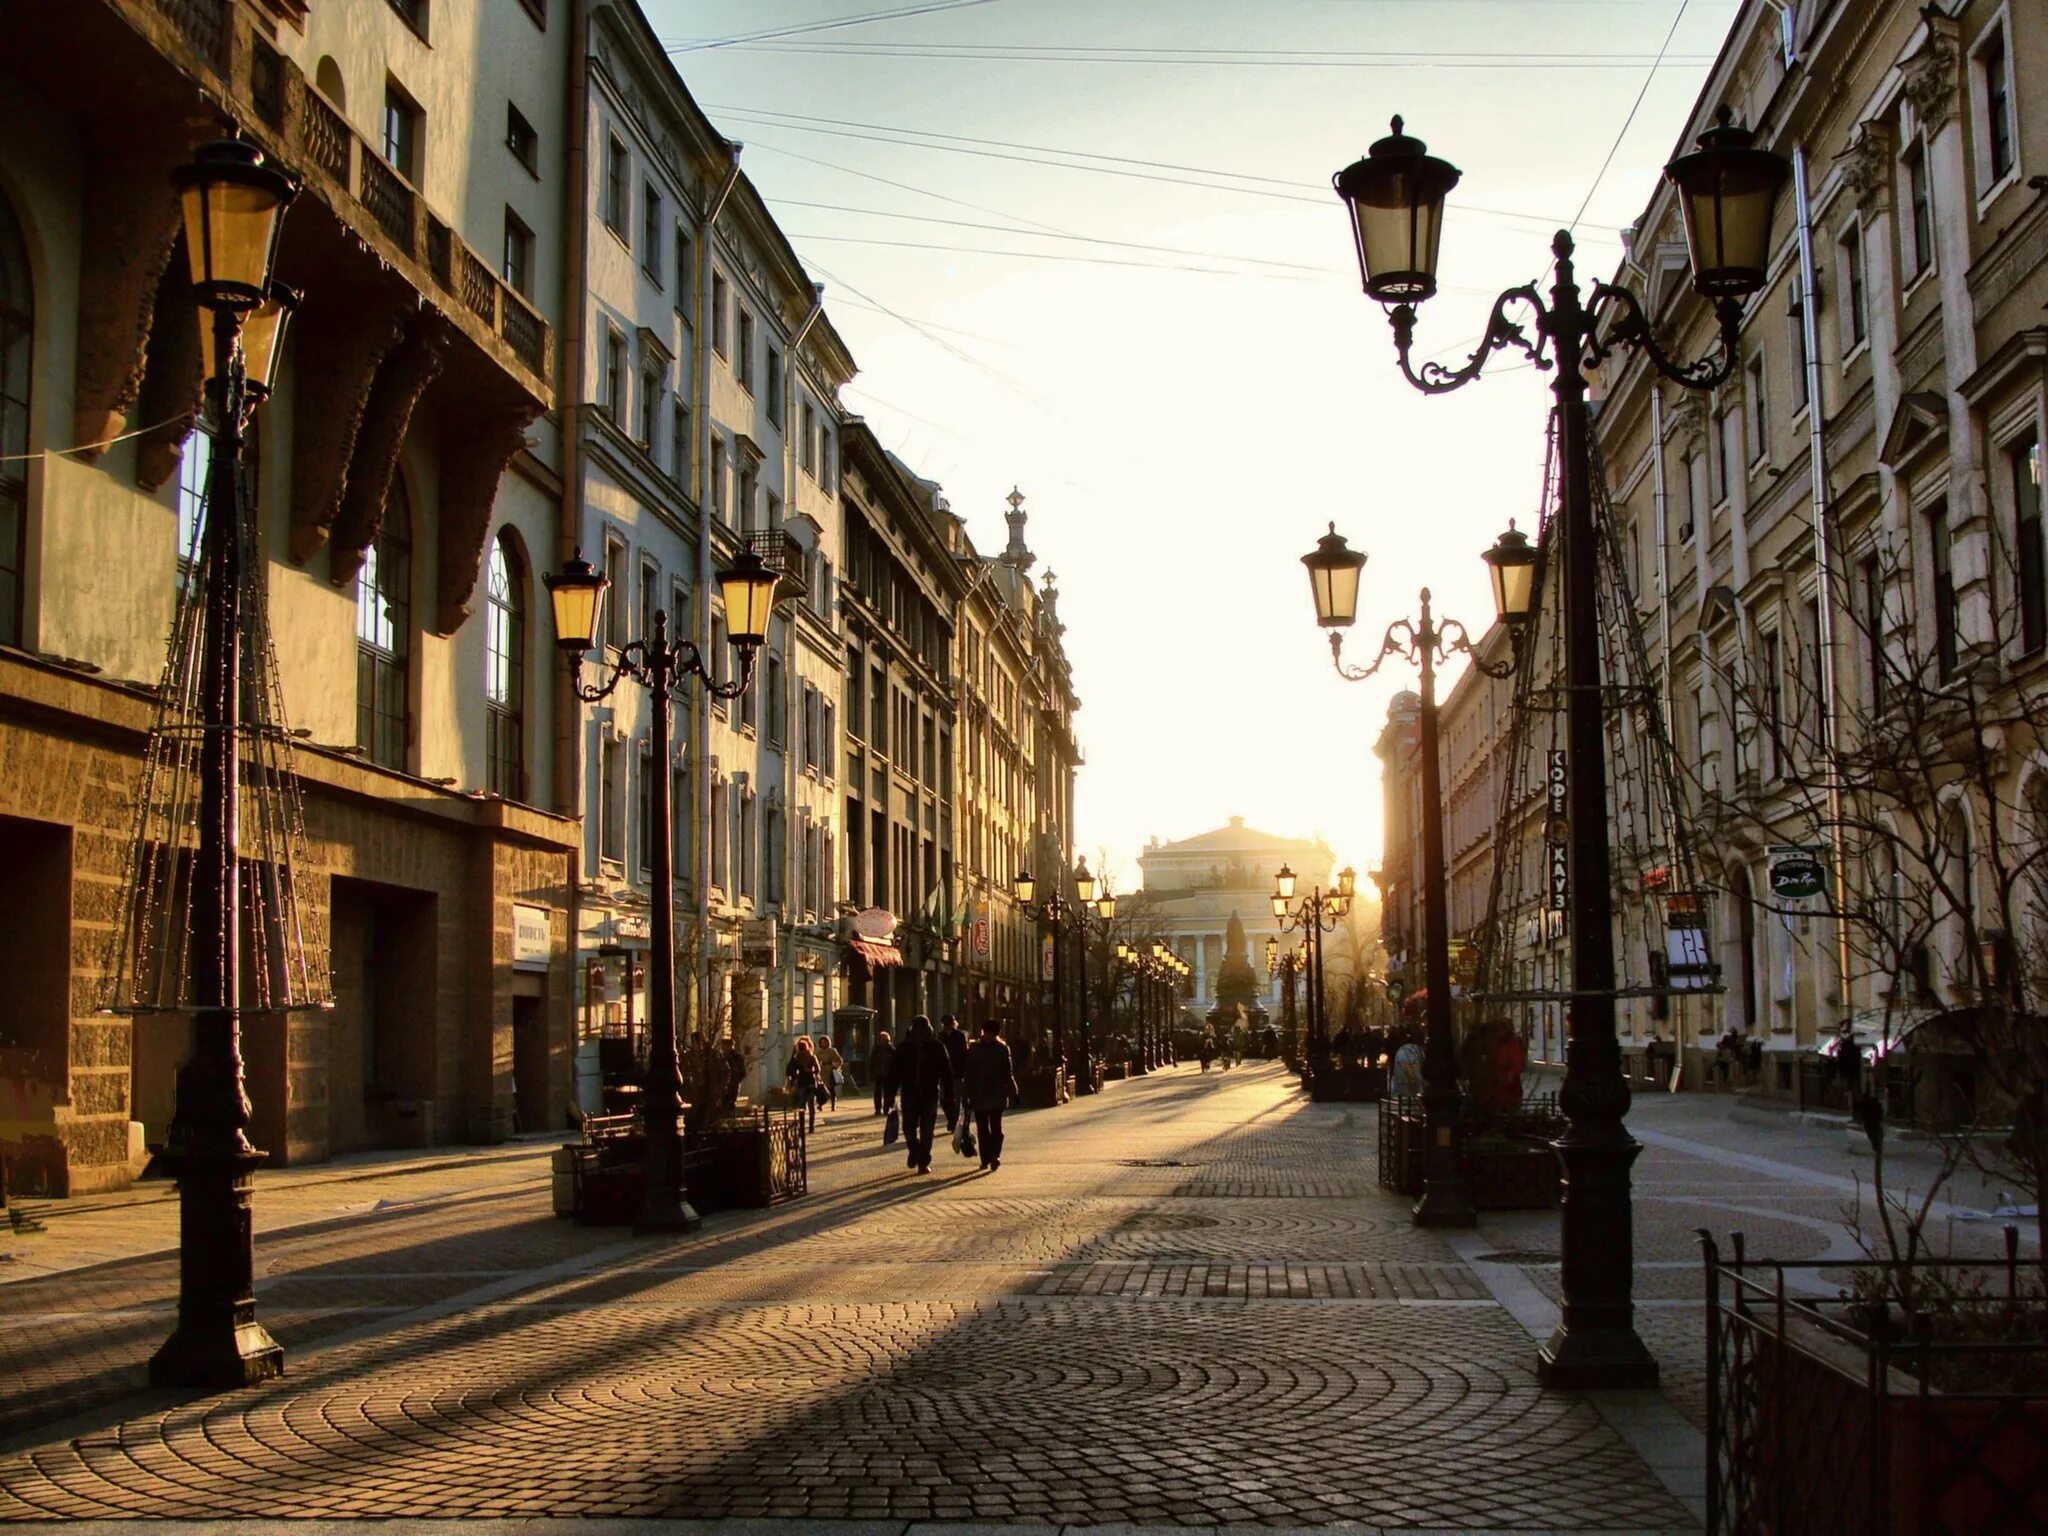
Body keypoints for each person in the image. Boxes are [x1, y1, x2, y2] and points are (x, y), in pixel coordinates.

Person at [894, 1015, 956, 1174]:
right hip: (909, 1092)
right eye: (917, 1031)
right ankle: (914, 1150)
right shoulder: (903, 1048)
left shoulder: (937, 1047)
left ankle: (923, 1161)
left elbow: (946, 1072)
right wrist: (889, 1095)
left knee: (927, 1128)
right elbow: (893, 1073)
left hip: (929, 1092)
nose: (920, 1034)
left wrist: (949, 1094)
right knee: (908, 1126)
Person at [965, 1018, 1020, 1172]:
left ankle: (995, 1155)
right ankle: (985, 1159)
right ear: (983, 1032)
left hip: (997, 1093)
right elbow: (968, 1073)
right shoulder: (974, 1049)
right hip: (979, 1094)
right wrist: (966, 1094)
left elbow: (1008, 1072)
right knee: (983, 1129)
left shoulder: (1002, 1049)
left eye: (992, 1033)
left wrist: (1013, 1089)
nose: (989, 1036)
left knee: (996, 1128)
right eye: (987, 1033)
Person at [939, 1014, 971, 1129]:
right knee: (943, 1099)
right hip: (943, 1073)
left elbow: (964, 1053)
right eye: (945, 1025)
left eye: (949, 1024)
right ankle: (951, 1118)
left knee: (955, 1099)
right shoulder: (940, 1037)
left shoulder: (960, 1036)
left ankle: (953, 1122)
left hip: (957, 1072)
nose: (947, 1027)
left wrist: (964, 1069)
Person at [784, 1035, 822, 1130]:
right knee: (811, 1105)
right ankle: (811, 1126)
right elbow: (818, 1069)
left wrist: (795, 1077)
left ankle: (801, 1126)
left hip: (801, 1083)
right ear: (807, 1047)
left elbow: (790, 1070)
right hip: (812, 1082)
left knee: (801, 1105)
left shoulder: (797, 1058)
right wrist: (812, 1071)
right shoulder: (811, 1056)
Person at [870, 1029, 897, 1117]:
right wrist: (872, 1072)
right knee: (878, 1092)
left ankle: (885, 1109)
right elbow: (872, 1061)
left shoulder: (891, 1049)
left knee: (886, 1092)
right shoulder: (877, 1048)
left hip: (887, 1074)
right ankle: (878, 1109)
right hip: (879, 1073)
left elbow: (895, 1061)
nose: (881, 1040)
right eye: (881, 1039)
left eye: (883, 1039)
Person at [815, 1034, 845, 1113]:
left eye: (824, 1042)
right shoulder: (818, 1051)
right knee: (821, 1089)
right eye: (821, 1042)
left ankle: (833, 1104)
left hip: (830, 1070)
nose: (823, 1044)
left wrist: (835, 1065)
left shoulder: (832, 1050)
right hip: (822, 1071)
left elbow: (840, 1060)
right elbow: (815, 1061)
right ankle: (820, 1104)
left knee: (831, 1089)